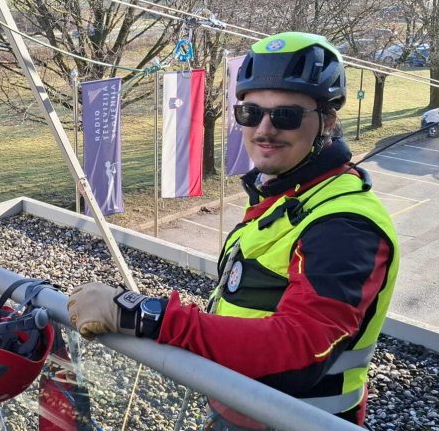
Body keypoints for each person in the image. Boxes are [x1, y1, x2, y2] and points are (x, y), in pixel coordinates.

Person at [68, 31, 399, 429]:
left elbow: (300, 350)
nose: (264, 129)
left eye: (287, 116)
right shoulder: (285, 193)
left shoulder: (344, 226)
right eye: (250, 113)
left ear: (327, 121)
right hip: (241, 409)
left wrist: (145, 316)